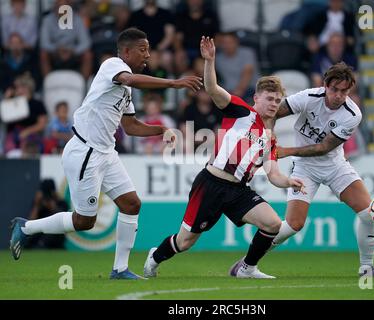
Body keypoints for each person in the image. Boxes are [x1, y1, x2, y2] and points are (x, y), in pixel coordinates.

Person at [9, 27, 202, 280]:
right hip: (85, 151)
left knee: (132, 204)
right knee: (84, 222)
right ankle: (27, 226)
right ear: (126, 51)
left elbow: (130, 127)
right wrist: (174, 82)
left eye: (148, 50)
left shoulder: (126, 89)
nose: (147, 55)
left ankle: (120, 269)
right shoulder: (113, 65)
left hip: (106, 152)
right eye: (142, 50)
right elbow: (131, 79)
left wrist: (161, 129)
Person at [143, 36, 305, 279]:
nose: (273, 104)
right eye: (269, 99)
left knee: (273, 224)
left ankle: (247, 268)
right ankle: (155, 257)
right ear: (256, 98)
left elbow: (273, 174)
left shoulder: (269, 138)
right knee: (185, 241)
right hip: (211, 184)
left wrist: (289, 182)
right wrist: (210, 61)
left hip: (239, 190)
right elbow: (212, 89)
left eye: (277, 101)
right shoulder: (241, 111)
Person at [272, 62, 374, 277]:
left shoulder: (352, 114)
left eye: (344, 91)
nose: (339, 95)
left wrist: (285, 150)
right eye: (335, 89)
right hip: (305, 168)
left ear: (350, 91)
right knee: (293, 225)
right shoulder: (309, 97)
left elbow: (323, 148)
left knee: (369, 214)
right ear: (325, 86)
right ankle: (249, 261)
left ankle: (367, 268)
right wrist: (268, 135)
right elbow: (273, 112)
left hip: (335, 166)